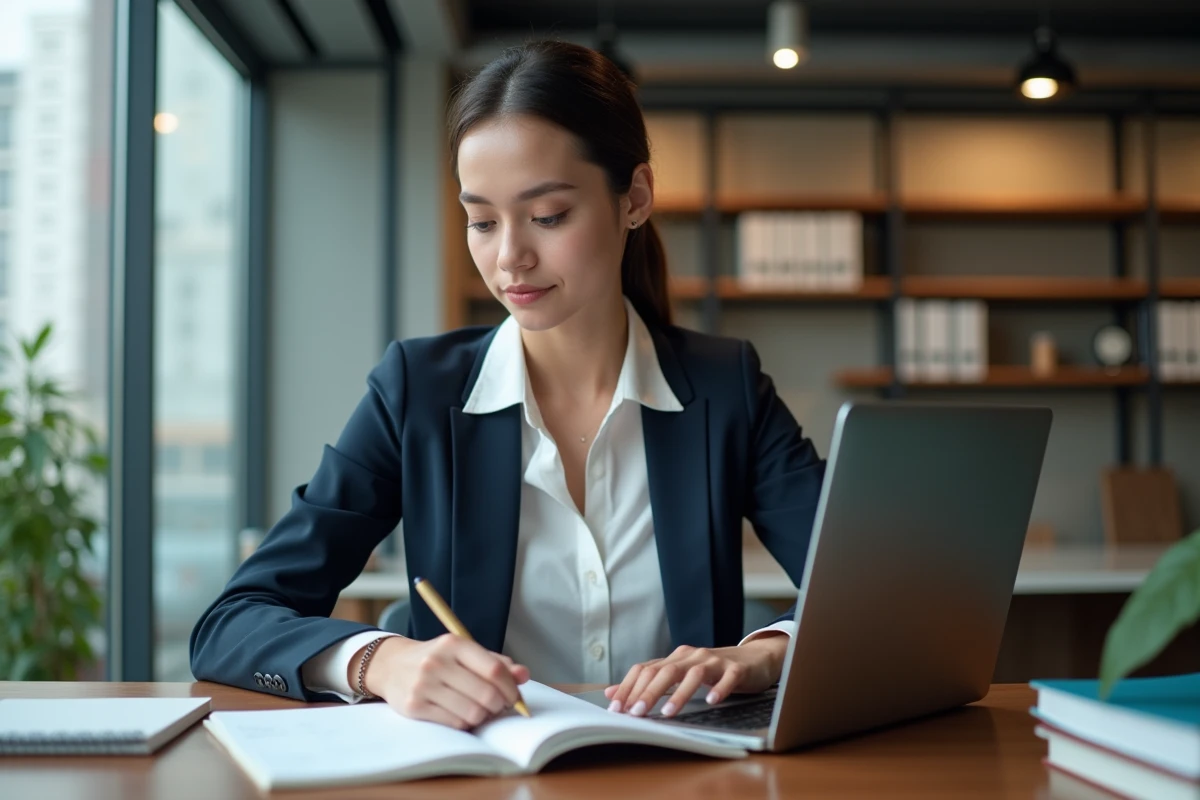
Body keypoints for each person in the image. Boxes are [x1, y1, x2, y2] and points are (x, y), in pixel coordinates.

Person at [190, 40, 825, 731]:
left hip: (687, 773)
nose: (509, 258)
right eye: (482, 221)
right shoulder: (416, 392)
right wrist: (384, 661)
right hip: (486, 775)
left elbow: (877, 597)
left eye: (548, 216)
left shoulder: (724, 387)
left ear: (635, 198)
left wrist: (764, 653)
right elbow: (233, 623)